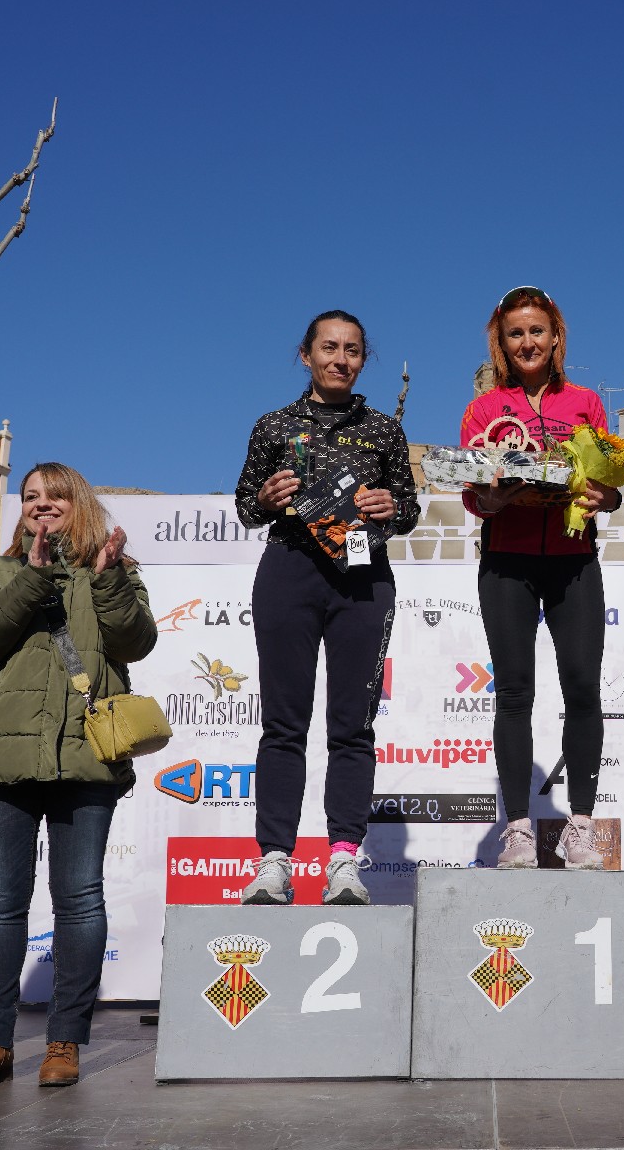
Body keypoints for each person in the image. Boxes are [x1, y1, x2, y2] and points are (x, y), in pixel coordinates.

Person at [0, 463, 157, 1091]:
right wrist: (33, 578)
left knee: (80, 899)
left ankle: (65, 1040)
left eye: (55, 495)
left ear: (78, 503)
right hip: (2, 761)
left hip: (86, 759)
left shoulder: (116, 570)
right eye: (31, 496)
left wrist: (110, 580)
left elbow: (135, 642)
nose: (41, 504)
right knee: (0, 905)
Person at [232, 310, 419, 905]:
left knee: (352, 725)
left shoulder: (383, 429)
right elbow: (245, 506)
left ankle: (343, 860)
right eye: (330, 348)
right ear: (306, 354)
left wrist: (391, 507)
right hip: (289, 571)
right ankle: (274, 862)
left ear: (364, 359)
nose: (341, 359)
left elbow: (408, 511)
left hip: (362, 577)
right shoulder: (273, 425)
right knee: (283, 725)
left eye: (353, 350)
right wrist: (266, 497)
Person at [460, 286, 621, 868]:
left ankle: (580, 824)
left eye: (537, 331)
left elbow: (608, 486)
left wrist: (606, 496)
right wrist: (493, 498)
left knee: (582, 688)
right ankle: (519, 830)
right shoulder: (484, 410)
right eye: (515, 334)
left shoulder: (585, 402)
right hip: (507, 561)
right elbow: (472, 494)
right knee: (513, 692)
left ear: (556, 338)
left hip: (574, 560)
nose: (527, 342)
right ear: (501, 344)